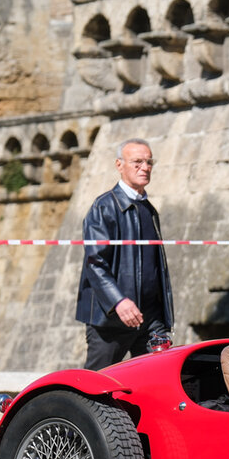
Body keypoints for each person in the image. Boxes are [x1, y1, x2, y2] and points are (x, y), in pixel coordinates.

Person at [75, 138, 174, 371]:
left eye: (149, 162)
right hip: (110, 319)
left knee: (159, 377)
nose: (145, 167)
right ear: (119, 165)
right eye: (137, 162)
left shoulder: (149, 210)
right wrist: (118, 301)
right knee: (96, 385)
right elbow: (95, 262)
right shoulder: (104, 207)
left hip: (150, 320)